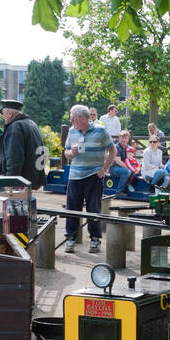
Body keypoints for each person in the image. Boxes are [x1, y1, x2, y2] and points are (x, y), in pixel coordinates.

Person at [61, 106, 113, 253]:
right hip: (75, 176)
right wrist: (71, 152)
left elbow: (112, 150)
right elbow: (66, 152)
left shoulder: (101, 131)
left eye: (73, 117)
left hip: (93, 176)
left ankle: (95, 240)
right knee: (72, 209)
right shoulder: (71, 131)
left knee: (93, 209)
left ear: (83, 118)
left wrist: (104, 169)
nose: (71, 120)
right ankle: (70, 239)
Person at [0, 99, 45, 189]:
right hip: (30, 179)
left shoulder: (15, 127)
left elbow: (14, 157)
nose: (3, 117)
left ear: (10, 114)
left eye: (3, 114)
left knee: (16, 203)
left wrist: (10, 182)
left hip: (19, 181)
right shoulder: (31, 124)